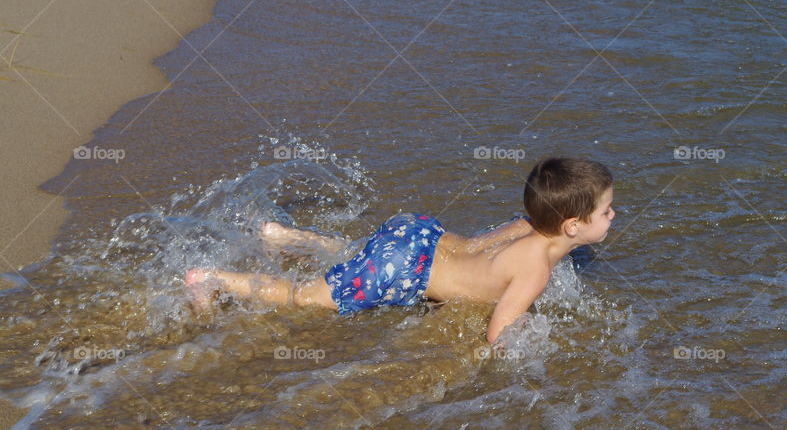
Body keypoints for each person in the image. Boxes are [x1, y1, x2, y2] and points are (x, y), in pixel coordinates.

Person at [184, 157, 614, 344]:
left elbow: (480, 246)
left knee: (360, 253)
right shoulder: (536, 268)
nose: (613, 215)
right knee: (307, 298)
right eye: (606, 210)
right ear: (573, 226)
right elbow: (498, 333)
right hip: (404, 266)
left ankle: (283, 236)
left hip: (419, 234)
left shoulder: (525, 224)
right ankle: (214, 279)